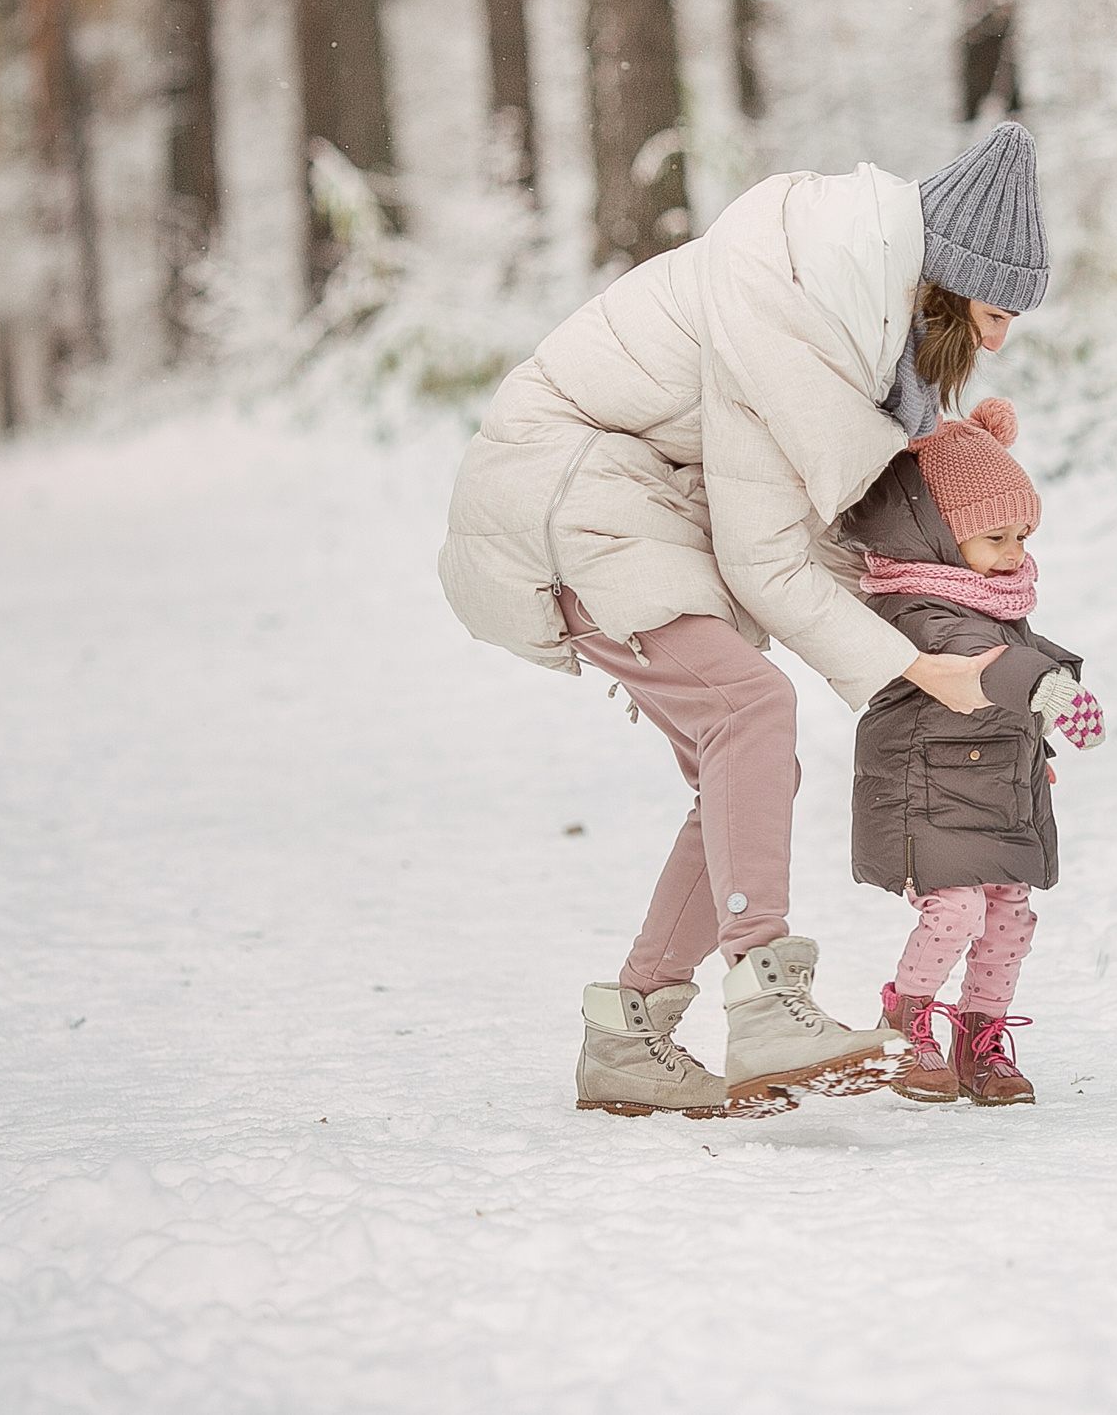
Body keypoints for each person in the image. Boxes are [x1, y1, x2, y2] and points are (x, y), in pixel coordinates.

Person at [437, 122, 1051, 1118]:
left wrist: (943, 615)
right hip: (566, 488)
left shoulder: (837, 309)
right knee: (750, 712)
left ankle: (629, 1028)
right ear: (937, 281)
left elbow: (787, 528)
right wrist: (914, 666)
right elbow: (766, 557)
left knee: (742, 754)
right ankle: (766, 993)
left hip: (634, 501)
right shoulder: (790, 304)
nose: (995, 342)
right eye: (989, 312)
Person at [837, 398, 1104, 1105]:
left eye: (1022, 533)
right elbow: (976, 658)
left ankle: (978, 1037)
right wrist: (1046, 688)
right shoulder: (912, 604)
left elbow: (1017, 656)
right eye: (994, 536)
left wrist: (1036, 735)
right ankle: (908, 1020)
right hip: (925, 791)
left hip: (995, 789)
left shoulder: (992, 598)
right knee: (954, 911)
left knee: (1010, 916)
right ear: (936, 535)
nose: (1015, 552)